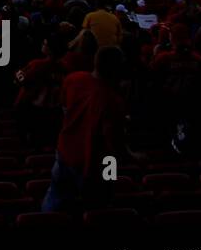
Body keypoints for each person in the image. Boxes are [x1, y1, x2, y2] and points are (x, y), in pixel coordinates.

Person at [42, 46, 136, 215]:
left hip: (64, 151)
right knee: (98, 206)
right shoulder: (113, 101)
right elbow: (113, 145)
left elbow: (64, 108)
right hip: (93, 165)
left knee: (56, 198)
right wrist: (120, 167)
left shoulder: (73, 79)